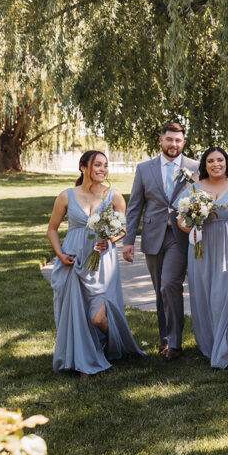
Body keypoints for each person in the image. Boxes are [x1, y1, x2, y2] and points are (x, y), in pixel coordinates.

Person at [47, 150, 144, 376]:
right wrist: (60, 254)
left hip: (102, 261)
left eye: (105, 166)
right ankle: (85, 359)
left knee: (98, 318)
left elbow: (123, 228)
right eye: (97, 165)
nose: (102, 170)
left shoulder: (114, 195)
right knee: (77, 313)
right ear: (83, 167)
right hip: (73, 258)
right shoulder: (66, 196)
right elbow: (52, 229)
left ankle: (114, 344)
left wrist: (110, 239)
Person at [122, 123, 199, 361]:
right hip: (153, 236)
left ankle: (175, 343)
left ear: (184, 143)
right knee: (159, 291)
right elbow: (135, 206)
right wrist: (128, 240)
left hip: (180, 235)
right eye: (169, 139)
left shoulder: (195, 167)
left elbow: (202, 199)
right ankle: (164, 340)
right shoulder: (144, 169)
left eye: (178, 140)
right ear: (161, 140)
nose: (173, 144)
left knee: (169, 285)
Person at [177, 147, 228, 369]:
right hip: (202, 247)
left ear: (226, 162)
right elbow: (181, 221)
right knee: (204, 294)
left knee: (224, 294)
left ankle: (222, 349)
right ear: (204, 165)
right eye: (210, 161)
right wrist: (193, 226)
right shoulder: (193, 188)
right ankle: (210, 342)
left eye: (219, 160)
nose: (215, 164)